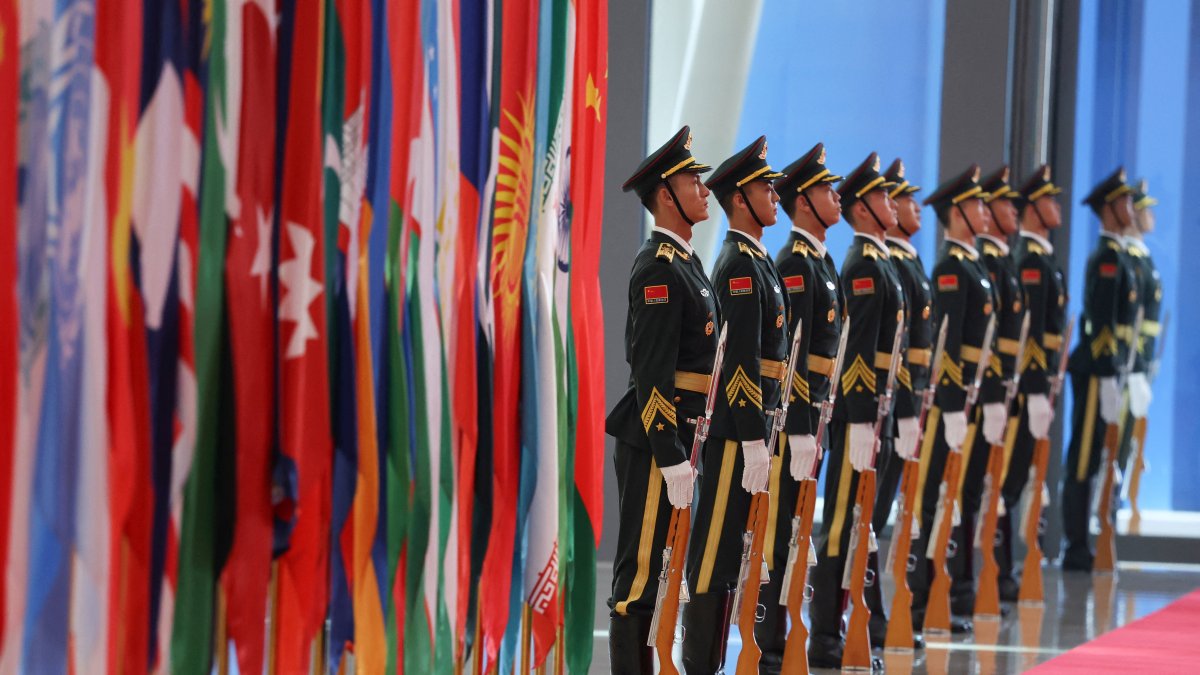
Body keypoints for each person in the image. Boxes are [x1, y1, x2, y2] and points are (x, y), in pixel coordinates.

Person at [605, 126, 719, 673]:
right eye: (692, 180)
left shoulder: (690, 265)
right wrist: (669, 452)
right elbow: (651, 375)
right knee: (641, 577)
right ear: (665, 195)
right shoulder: (659, 269)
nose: (704, 188)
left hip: (681, 437)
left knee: (666, 573)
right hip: (656, 441)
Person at [682, 135, 786, 674]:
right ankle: (699, 663)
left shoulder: (756, 262)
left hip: (751, 429)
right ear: (741, 198)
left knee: (733, 558)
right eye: (766, 187)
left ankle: (711, 661)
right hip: (731, 434)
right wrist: (750, 436)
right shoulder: (739, 268)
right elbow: (741, 365)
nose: (776, 194)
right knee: (715, 556)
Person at [806, 153, 913, 668]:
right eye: (885, 197)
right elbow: (855, 355)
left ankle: (859, 616)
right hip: (860, 415)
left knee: (864, 522)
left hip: (878, 413)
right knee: (846, 523)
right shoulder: (864, 266)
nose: (893, 204)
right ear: (864, 210)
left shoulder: (881, 262)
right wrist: (861, 419)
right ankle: (826, 629)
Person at [762, 142, 846, 668]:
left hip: (818, 418)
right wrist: (797, 425)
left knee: (799, 532)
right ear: (802, 202)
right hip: (799, 421)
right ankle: (770, 650)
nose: (835, 197)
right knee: (780, 537)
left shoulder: (822, 261)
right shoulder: (794, 263)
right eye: (824, 190)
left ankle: (792, 641)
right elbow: (788, 355)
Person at [910, 165, 995, 635]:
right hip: (948, 404)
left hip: (966, 401)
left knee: (956, 497)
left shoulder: (972, 266)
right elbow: (947, 349)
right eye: (977, 204)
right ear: (957, 213)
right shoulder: (950, 270)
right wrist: (954, 402)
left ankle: (939, 593)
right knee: (933, 500)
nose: (984, 211)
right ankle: (921, 600)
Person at [862, 158, 932, 648]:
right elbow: (873, 352)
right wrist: (900, 407)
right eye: (895, 197)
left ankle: (871, 616)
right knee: (862, 521)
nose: (906, 206)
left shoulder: (900, 263)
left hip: (899, 404)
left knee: (879, 520)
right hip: (877, 407)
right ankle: (853, 621)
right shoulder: (875, 267)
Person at [950, 165, 1026, 613]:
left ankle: (964, 584)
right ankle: (954, 588)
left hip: (992, 390)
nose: (1005, 210)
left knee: (982, 487)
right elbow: (962, 343)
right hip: (972, 396)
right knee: (963, 491)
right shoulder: (975, 266)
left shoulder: (987, 264)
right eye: (986, 203)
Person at [1061, 168, 1139, 572]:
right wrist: (1108, 372)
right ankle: (1074, 545)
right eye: (1124, 201)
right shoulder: (1107, 257)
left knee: (1095, 456)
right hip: (1095, 368)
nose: (1131, 208)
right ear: (1109, 210)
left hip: (1108, 367)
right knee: (1084, 456)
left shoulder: (1119, 254)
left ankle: (1081, 540)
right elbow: (1101, 321)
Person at [995, 164, 1068, 599]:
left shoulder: (1041, 259)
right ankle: (998, 568)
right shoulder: (1031, 261)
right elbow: (1032, 334)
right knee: (1008, 480)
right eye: (1049, 200)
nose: (1056, 206)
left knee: (1019, 479)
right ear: (1031, 208)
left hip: (1037, 385)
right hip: (1025, 391)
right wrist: (1037, 387)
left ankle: (1004, 569)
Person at [1116, 180, 1159, 477]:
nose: (1151, 218)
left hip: (1140, 360)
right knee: (1117, 443)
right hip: (1129, 361)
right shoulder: (1129, 260)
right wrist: (1135, 368)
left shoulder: (1142, 258)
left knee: (1129, 440)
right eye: (1145, 210)